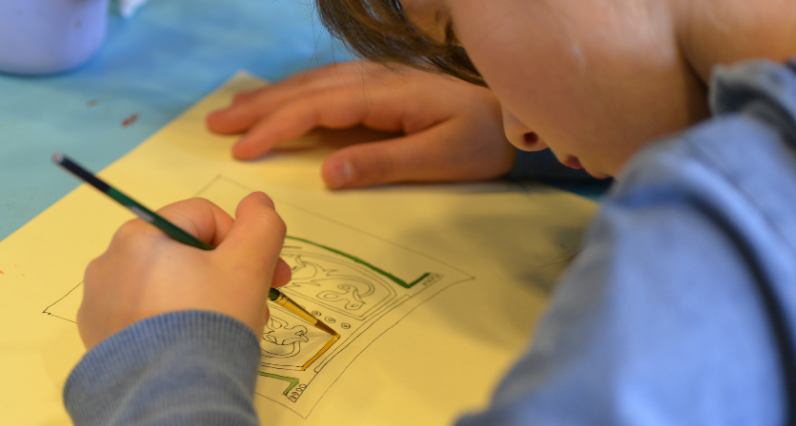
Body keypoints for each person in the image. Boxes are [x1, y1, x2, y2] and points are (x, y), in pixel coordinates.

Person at [64, 0, 796, 424]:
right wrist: (576, 134)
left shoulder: (705, 258)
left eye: (454, 33)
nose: (518, 124)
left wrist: (161, 365)